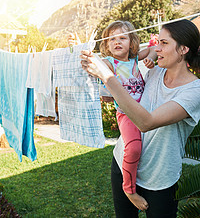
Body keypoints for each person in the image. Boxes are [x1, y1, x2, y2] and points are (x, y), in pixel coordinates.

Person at [80, 19, 200, 218]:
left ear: (183, 49)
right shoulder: (154, 70)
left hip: (159, 179)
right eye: (158, 41)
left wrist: (106, 76)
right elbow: (129, 87)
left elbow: (146, 122)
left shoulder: (194, 91)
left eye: (164, 43)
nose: (156, 48)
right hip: (122, 164)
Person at [99, 20, 156, 211]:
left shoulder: (135, 59)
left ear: (131, 42)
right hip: (126, 114)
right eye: (112, 39)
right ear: (106, 45)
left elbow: (153, 48)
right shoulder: (110, 63)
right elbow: (96, 63)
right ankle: (129, 189)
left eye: (122, 38)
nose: (117, 42)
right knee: (132, 149)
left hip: (143, 111)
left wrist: (152, 57)